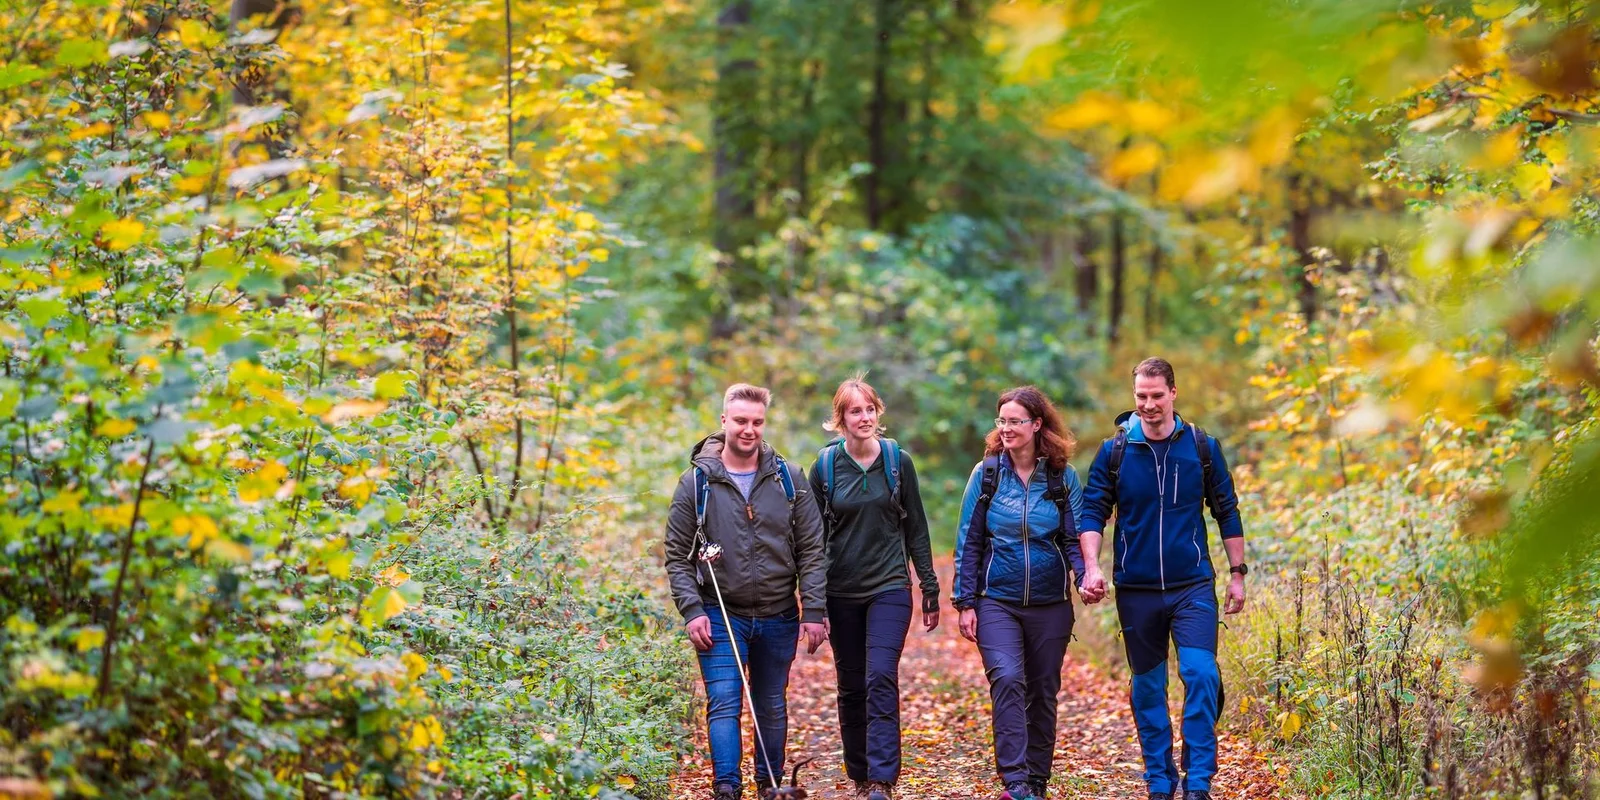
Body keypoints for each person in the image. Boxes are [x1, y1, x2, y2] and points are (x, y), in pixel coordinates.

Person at [1077, 358, 1247, 800]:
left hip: (1192, 586)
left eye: (1156, 395)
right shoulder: (1113, 452)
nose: (1149, 404)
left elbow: (1226, 510)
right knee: (1149, 686)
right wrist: (1092, 566)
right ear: (1134, 396)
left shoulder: (1201, 447)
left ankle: (1199, 781)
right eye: (1141, 396)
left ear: (1173, 393)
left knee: (1201, 674)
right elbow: (1093, 511)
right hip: (1136, 590)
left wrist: (1237, 574)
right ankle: (1159, 779)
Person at [664, 383, 829, 800]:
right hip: (719, 611)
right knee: (723, 701)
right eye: (740, 421)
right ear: (724, 421)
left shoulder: (788, 479)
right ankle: (726, 789)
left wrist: (812, 609)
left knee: (771, 705)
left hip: (779, 614)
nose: (749, 429)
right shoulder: (696, 484)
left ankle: (768, 788)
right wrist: (691, 611)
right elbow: (677, 556)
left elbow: (812, 548)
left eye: (757, 422)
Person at [952, 386, 1088, 800]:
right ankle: (1014, 781)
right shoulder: (987, 474)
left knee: (1044, 690)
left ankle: (1036, 782)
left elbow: (1074, 538)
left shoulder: (1062, 476)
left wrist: (1085, 578)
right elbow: (969, 540)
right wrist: (966, 601)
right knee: (1009, 679)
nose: (1007, 429)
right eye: (1002, 421)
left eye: (1016, 421)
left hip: (1050, 604)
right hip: (997, 601)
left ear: (1037, 424)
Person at [808, 377, 940, 800]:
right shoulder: (825, 468)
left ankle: (882, 779)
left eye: (869, 410)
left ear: (878, 413)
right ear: (840, 419)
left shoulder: (897, 462)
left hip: (889, 586)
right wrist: (812, 603)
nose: (863, 418)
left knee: (880, 675)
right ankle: (860, 773)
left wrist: (930, 586)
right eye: (854, 411)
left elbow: (916, 527)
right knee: (851, 683)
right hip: (840, 590)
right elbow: (810, 541)